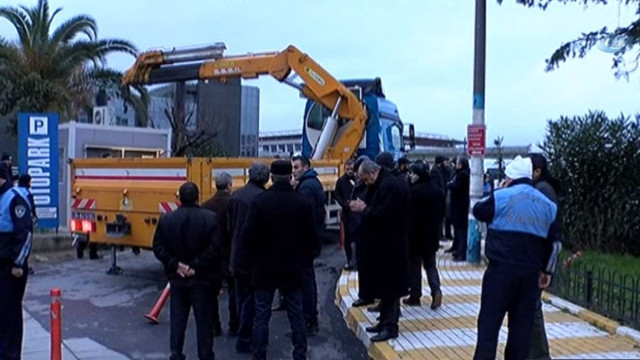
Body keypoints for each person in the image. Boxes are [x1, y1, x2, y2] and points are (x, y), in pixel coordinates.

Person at [472, 156, 562, 360]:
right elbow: (555, 244)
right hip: (530, 277)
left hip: (500, 273)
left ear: (509, 178)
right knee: (521, 332)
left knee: (489, 327)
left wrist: (501, 190)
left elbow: (478, 210)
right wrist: (547, 272)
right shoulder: (548, 205)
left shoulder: (502, 196)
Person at [244, 160, 318, 360]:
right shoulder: (302, 202)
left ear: (272, 177)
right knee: (296, 314)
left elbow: (248, 236)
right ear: (290, 177)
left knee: (261, 315)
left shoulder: (260, 201)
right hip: (293, 267)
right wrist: (305, 258)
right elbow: (312, 237)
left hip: (264, 268)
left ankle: (259, 354)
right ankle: (299, 354)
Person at [152, 182, 221, 360]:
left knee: (178, 321)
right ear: (198, 197)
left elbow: (158, 247)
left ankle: (176, 354)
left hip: (177, 279)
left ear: (179, 198)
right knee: (204, 323)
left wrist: (176, 265)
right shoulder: (210, 218)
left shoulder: (167, 219)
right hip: (202, 279)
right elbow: (214, 248)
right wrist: (195, 266)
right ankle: (205, 355)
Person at [350, 160, 409, 342]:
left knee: (391, 289)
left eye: (366, 179)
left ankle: (390, 326)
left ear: (374, 172)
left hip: (391, 246)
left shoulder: (389, 185)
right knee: (385, 288)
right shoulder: (382, 182)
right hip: (383, 246)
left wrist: (364, 208)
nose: (366, 183)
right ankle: (383, 322)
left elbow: (385, 215)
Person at [227, 162, 270, 354]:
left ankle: (240, 332)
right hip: (256, 258)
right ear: (265, 178)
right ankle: (246, 338)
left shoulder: (235, 195)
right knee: (253, 301)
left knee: (240, 296)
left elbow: (230, 227)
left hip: (237, 255)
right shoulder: (263, 198)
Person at [528, 153, 561, 360]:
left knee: (533, 309)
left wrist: (546, 268)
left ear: (537, 171)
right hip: (540, 259)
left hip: (539, 260)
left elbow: (550, 232)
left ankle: (539, 355)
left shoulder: (542, 191)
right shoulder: (543, 189)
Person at [0, 163, 33, 360]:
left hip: (10, 268)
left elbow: (25, 234)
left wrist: (18, 264)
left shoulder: (14, 200)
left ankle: (10, 356)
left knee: (9, 313)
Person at [404, 162, 445, 309]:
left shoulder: (412, 192)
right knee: (430, 266)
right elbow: (442, 214)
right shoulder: (438, 191)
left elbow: (406, 214)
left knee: (415, 267)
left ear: (418, 175)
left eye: (413, 174)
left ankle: (415, 296)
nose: (411, 176)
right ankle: (436, 291)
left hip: (415, 236)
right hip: (432, 235)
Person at [291, 154, 325, 335]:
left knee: (305, 281)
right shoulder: (312, 183)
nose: (294, 171)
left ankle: (308, 320)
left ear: (305, 167)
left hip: (305, 242)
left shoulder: (306, 188)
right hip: (312, 239)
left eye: (296, 167)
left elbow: (304, 215)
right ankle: (310, 316)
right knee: (307, 278)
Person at [201, 172, 236, 337]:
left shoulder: (206, 205)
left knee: (211, 295)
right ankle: (234, 324)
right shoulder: (233, 204)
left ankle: (214, 325)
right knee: (234, 292)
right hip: (230, 253)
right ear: (229, 186)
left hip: (212, 257)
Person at [349, 155, 376, 308]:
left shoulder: (368, 186)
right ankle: (366, 294)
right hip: (359, 230)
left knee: (367, 266)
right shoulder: (361, 185)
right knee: (363, 266)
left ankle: (367, 294)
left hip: (365, 231)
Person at [334, 159, 356, 270]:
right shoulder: (341, 181)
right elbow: (336, 194)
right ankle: (349, 260)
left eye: (351, 169)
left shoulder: (358, 180)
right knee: (347, 238)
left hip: (357, 213)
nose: (350, 171)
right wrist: (343, 203)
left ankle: (357, 259)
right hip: (347, 213)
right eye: (347, 169)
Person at [447, 156, 470, 261]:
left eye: (457, 163)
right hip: (458, 206)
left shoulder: (463, 175)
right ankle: (457, 250)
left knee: (461, 231)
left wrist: (450, 185)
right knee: (457, 230)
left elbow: (455, 186)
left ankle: (461, 253)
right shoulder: (458, 174)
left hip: (460, 207)